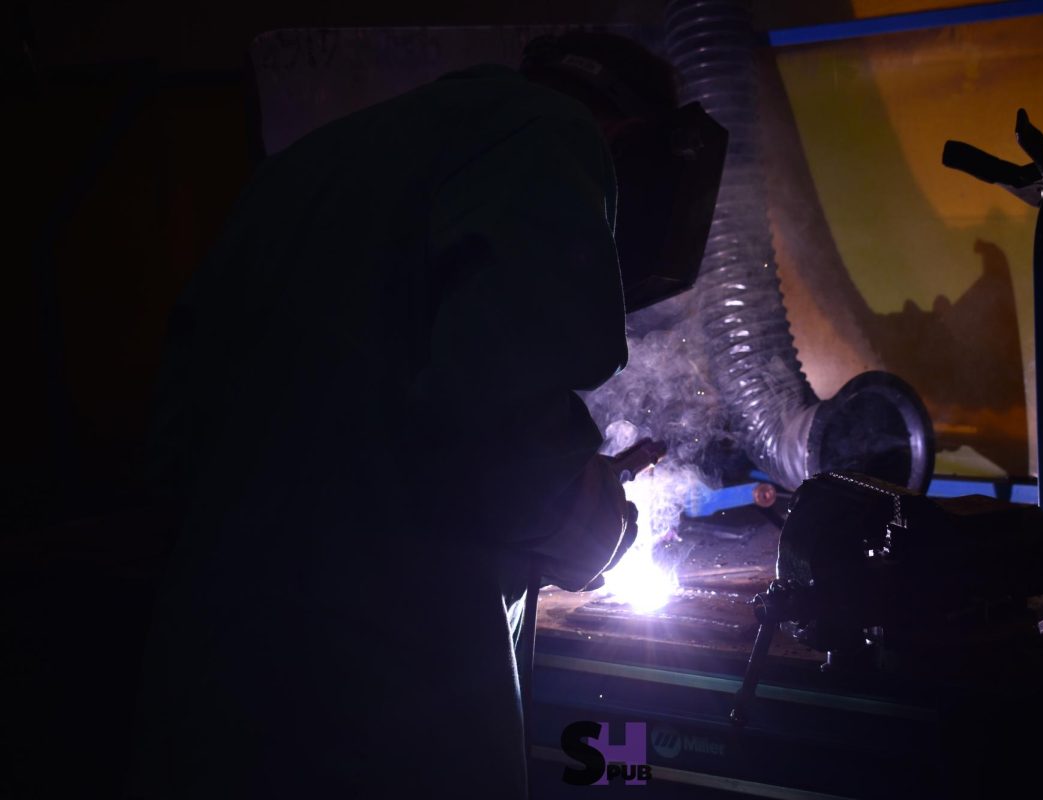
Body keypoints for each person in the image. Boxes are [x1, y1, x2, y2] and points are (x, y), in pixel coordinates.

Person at [129, 31, 685, 800]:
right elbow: (500, 444)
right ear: (625, 140)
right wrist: (597, 525)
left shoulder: (313, 165)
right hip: (378, 704)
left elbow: (176, 441)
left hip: (208, 680)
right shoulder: (549, 135)